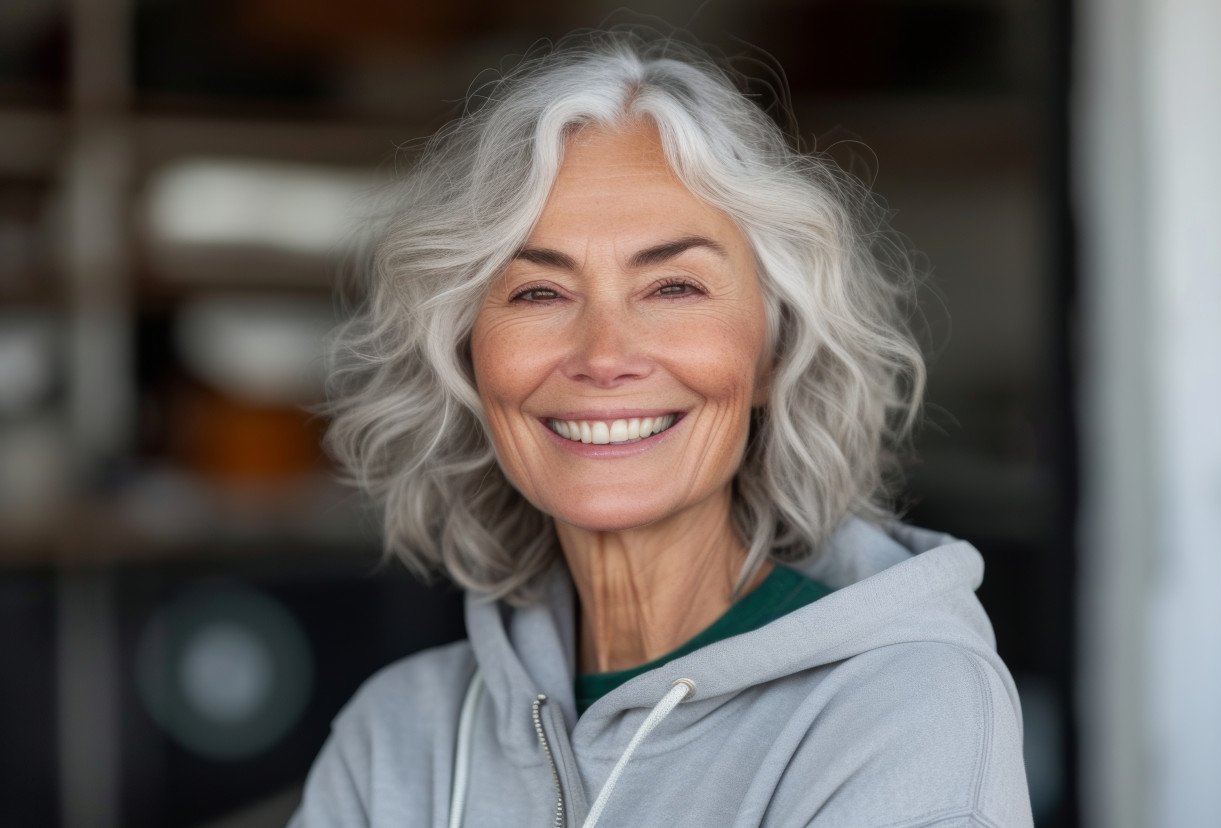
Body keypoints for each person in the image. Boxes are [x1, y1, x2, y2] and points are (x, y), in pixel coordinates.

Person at [290, 29, 1033, 828]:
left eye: (674, 286)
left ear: (775, 350)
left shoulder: (898, 709)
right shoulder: (399, 738)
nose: (604, 355)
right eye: (538, 293)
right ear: (467, 357)